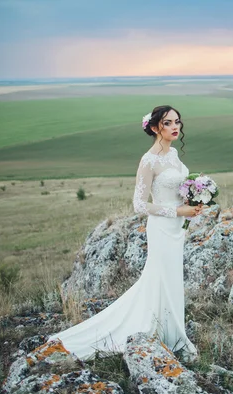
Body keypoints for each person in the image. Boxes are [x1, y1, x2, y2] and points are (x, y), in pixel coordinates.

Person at [48, 105, 202, 360]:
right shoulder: (148, 160)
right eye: (167, 123)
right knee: (160, 277)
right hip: (163, 228)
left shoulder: (174, 154)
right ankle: (159, 333)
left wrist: (194, 199)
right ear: (154, 128)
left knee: (172, 279)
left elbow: (178, 189)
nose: (175, 127)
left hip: (177, 229)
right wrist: (177, 212)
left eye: (177, 121)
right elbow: (140, 205)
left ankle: (172, 333)